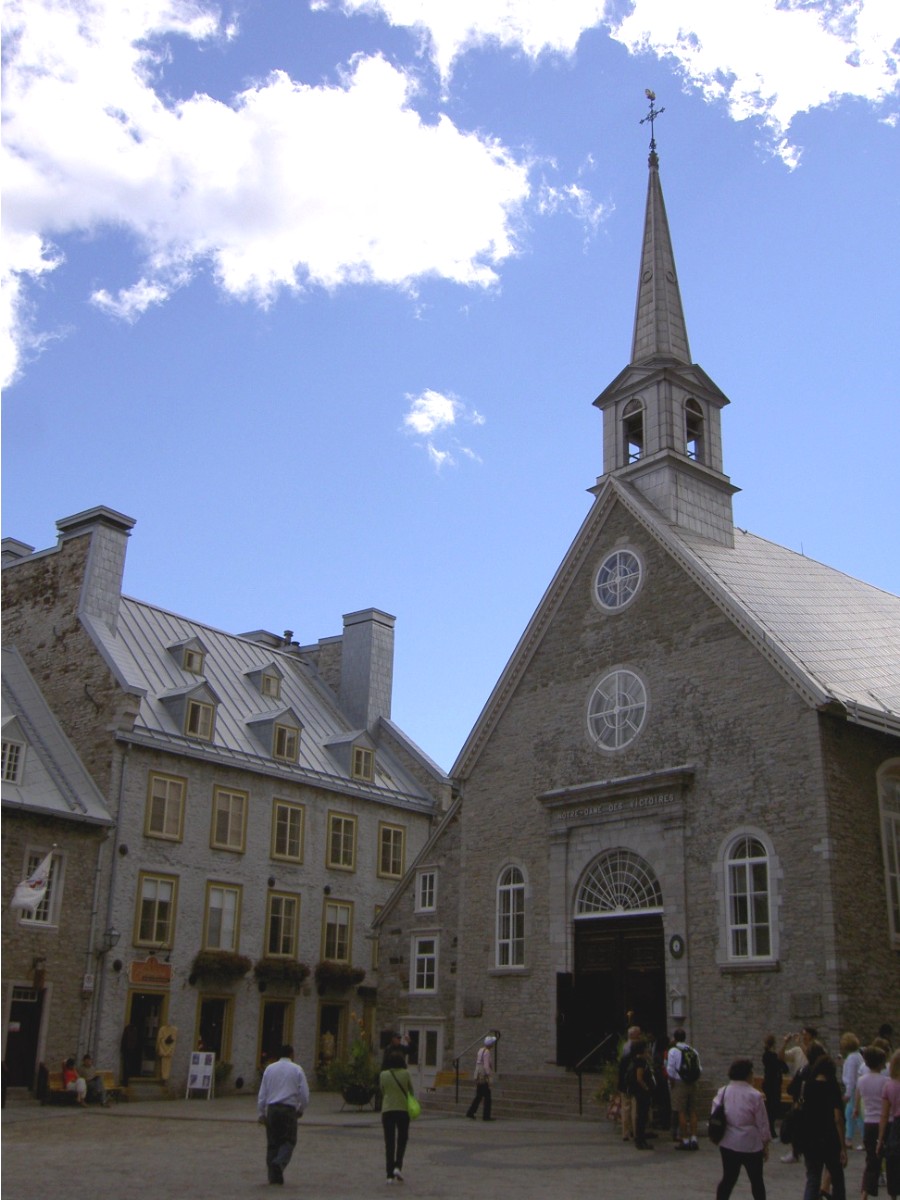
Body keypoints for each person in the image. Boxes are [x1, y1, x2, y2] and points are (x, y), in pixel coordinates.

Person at [711, 1057, 770, 1200]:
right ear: (747, 1074)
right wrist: (765, 1143)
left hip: (728, 1141)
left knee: (728, 1179)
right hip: (751, 1143)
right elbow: (762, 1122)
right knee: (756, 1180)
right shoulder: (755, 1095)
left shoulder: (723, 1092)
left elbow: (715, 1114)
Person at [257, 1043, 310, 1186]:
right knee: (289, 1140)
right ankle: (279, 1163)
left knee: (272, 1143)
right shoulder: (297, 1069)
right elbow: (304, 1094)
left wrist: (261, 1113)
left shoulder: (269, 1069)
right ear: (292, 1054)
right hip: (288, 1109)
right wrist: (301, 1109)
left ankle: (273, 1177)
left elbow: (262, 1093)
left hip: (272, 1109)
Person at [799, 1054, 848, 1200]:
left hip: (810, 1137)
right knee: (837, 1178)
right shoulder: (832, 1087)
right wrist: (843, 1146)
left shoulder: (807, 1086)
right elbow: (838, 1118)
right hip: (829, 1138)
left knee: (813, 1177)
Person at [857, 1044, 887, 1199]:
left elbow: (858, 1097)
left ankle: (865, 1191)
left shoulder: (861, 1080)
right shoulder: (885, 1081)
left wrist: (856, 1110)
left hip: (868, 1121)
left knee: (871, 1158)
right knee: (886, 1156)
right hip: (883, 1121)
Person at [380, 1050, 414, 1185]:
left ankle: (389, 1174)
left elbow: (382, 1090)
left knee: (389, 1142)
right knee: (402, 1139)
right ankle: (397, 1166)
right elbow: (411, 1091)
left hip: (388, 1110)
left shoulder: (383, 1075)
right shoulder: (406, 1074)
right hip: (402, 1110)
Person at [667, 1028, 701, 1150]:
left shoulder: (673, 1051)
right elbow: (699, 1068)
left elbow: (670, 1069)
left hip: (679, 1083)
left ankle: (685, 1139)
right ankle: (694, 1138)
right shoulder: (693, 1050)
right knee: (692, 1111)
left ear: (675, 1038)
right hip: (692, 1082)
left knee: (681, 1111)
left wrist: (671, 1083)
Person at [875, 1048, 900, 1200]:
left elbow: (884, 1116)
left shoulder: (889, 1086)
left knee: (893, 1161)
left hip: (896, 1125)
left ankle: (894, 1194)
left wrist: (880, 1139)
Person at [627, 1039, 655, 1150]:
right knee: (642, 1116)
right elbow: (639, 1078)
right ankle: (640, 1140)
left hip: (639, 1092)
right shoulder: (640, 1062)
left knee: (641, 1116)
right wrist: (646, 1088)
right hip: (642, 1092)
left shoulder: (635, 1060)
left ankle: (640, 1139)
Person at [841, 1033, 866, 1151]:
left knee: (856, 1115)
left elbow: (851, 1078)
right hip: (857, 1089)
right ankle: (848, 1138)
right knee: (850, 1114)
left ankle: (863, 1139)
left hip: (853, 1090)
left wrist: (847, 1093)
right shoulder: (858, 1056)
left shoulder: (851, 1058)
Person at [617, 1024, 641, 1142]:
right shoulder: (636, 1051)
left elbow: (621, 1068)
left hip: (625, 1083)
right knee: (634, 1108)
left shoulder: (624, 1048)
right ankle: (635, 1132)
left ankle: (625, 1132)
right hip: (633, 1083)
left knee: (626, 1108)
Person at [762, 1034, 788, 1138]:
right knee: (772, 1107)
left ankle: (770, 1128)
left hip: (769, 1084)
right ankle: (771, 1129)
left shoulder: (767, 1055)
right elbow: (784, 1068)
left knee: (771, 1106)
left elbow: (783, 1068)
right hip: (773, 1085)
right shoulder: (771, 1056)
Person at [466, 1036, 496, 1121]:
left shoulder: (480, 1050)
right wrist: (489, 1075)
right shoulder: (487, 1052)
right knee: (487, 1096)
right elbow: (486, 1065)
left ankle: (471, 1112)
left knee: (479, 1095)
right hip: (483, 1075)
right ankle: (486, 1116)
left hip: (478, 1074)